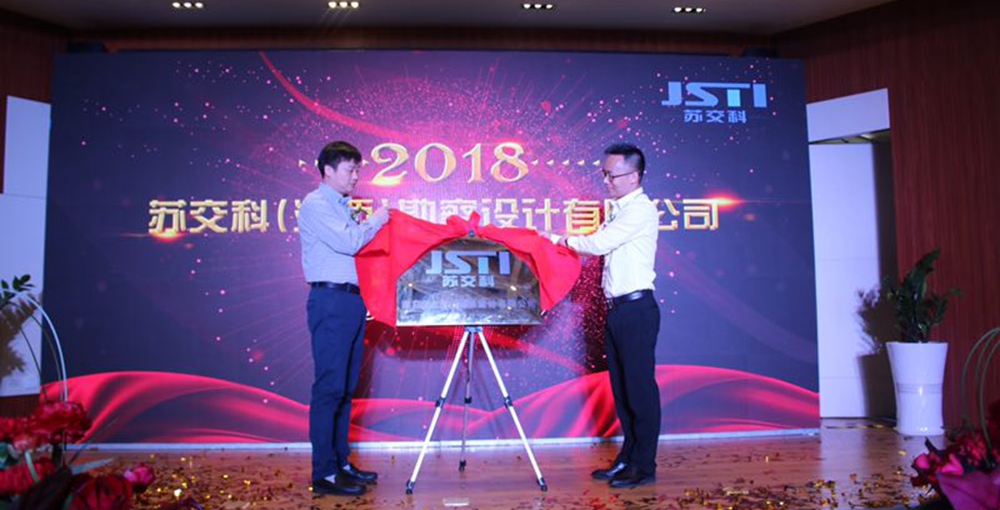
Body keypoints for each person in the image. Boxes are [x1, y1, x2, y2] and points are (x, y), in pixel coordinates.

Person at [557, 143, 661, 488]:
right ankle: (628, 457)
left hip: (636, 310)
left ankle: (644, 465)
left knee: (639, 390)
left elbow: (599, 244)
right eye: (604, 174)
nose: (606, 181)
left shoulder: (640, 210)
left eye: (612, 175)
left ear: (634, 176)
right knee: (622, 389)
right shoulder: (618, 209)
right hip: (618, 310)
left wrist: (558, 240)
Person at [299, 141, 390, 496]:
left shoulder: (343, 206)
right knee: (329, 388)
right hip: (331, 300)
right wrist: (377, 220)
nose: (355, 177)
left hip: (351, 301)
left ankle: (341, 463)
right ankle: (324, 472)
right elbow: (350, 242)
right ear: (328, 170)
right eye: (350, 170)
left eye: (357, 170)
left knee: (346, 389)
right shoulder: (316, 204)